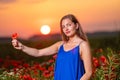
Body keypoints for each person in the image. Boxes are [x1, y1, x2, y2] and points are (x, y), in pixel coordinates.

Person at [12, 14, 92, 80]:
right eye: (63, 27)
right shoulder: (60, 45)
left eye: (69, 25)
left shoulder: (82, 45)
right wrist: (22, 46)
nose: (66, 28)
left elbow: (89, 73)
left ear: (76, 25)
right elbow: (38, 52)